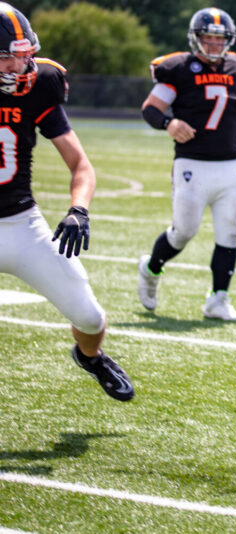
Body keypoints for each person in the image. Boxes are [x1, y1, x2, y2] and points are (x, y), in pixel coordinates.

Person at [0, 3, 133, 401]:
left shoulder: (40, 84)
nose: (20, 67)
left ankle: (90, 358)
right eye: (9, 57)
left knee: (90, 318)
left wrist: (79, 209)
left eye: (25, 56)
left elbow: (81, 165)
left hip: (21, 224)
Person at [137, 6, 236, 321]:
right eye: (208, 39)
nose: (213, 45)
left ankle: (218, 300)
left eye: (218, 39)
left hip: (231, 166)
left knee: (230, 233)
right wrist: (169, 124)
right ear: (195, 39)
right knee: (184, 231)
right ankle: (151, 268)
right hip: (192, 163)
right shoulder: (179, 69)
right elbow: (151, 108)